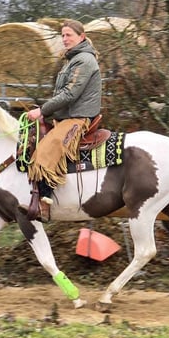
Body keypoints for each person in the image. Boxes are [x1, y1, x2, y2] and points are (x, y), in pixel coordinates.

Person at [22, 19, 102, 221]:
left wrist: (42, 111)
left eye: (69, 35)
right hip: (68, 114)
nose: (65, 39)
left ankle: (45, 203)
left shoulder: (84, 60)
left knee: (46, 150)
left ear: (81, 37)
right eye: (63, 35)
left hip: (79, 117)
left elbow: (69, 94)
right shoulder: (73, 59)